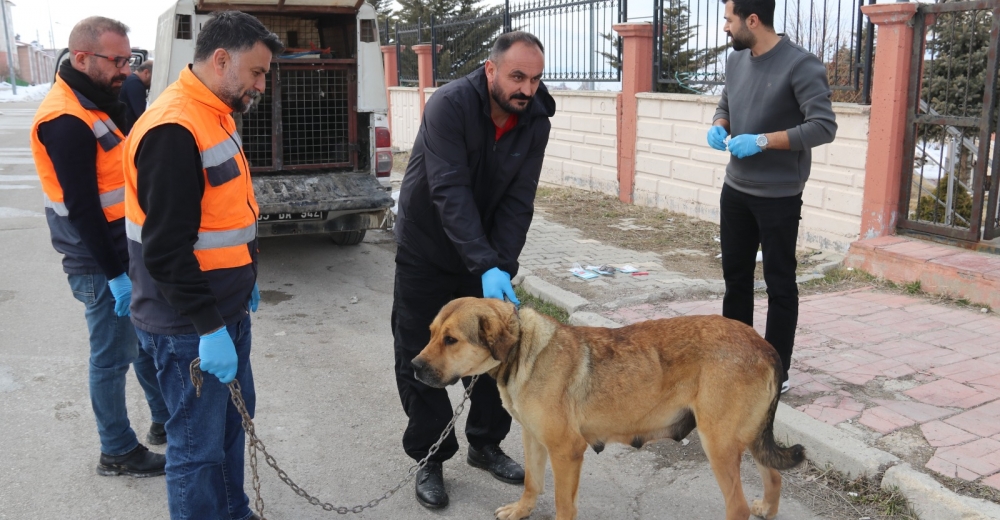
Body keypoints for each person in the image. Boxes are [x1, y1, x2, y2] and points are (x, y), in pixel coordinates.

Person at [122, 11, 281, 520]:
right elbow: (166, 249)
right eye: (256, 73)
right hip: (189, 327)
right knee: (196, 449)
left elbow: (222, 217)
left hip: (223, 311)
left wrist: (244, 282)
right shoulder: (174, 128)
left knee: (231, 427)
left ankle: (234, 512)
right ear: (220, 60)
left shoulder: (213, 114)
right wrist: (209, 325)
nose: (262, 84)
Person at [392, 30, 555, 510]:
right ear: (490, 69)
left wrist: (499, 267)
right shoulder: (449, 105)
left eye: (536, 78)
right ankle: (432, 457)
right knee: (419, 353)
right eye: (518, 76)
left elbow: (519, 200)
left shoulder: (535, 120)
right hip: (428, 247)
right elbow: (449, 188)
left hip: (487, 254)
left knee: (495, 348)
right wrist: (483, 261)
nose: (527, 88)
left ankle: (485, 443)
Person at [30, 16, 168, 478]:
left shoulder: (97, 101)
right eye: (117, 60)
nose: (126, 70)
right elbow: (85, 209)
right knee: (112, 358)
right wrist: (115, 275)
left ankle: (164, 421)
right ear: (82, 57)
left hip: (122, 252)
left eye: (130, 60)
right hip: (97, 262)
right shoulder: (65, 118)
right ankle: (117, 450)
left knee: (144, 345)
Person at [707, 0, 837, 393]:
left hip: (779, 195)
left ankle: (775, 372)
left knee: (780, 284)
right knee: (736, 280)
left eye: (729, 20)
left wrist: (764, 140)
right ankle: (738, 362)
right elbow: (726, 102)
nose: (725, 28)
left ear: (752, 19)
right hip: (736, 190)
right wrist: (720, 123)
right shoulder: (737, 60)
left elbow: (823, 126)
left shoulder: (801, 64)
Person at [119, 59, 153, 128]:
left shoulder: (130, 80)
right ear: (146, 73)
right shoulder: (135, 84)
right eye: (152, 78)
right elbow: (141, 114)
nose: (152, 83)